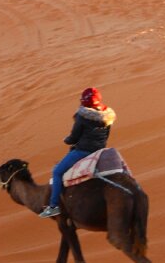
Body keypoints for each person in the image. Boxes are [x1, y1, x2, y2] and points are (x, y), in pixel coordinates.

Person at [39, 87, 116, 218]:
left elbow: (74, 137)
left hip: (83, 151)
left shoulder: (82, 116)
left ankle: (53, 206)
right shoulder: (107, 116)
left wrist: (67, 140)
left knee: (57, 172)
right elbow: (106, 135)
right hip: (99, 151)